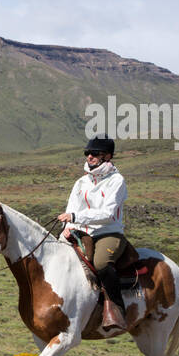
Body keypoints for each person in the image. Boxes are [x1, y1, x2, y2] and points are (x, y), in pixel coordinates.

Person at [57, 134, 129, 335]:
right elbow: (72, 206)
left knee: (101, 264)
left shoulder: (117, 181)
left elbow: (107, 214)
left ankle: (116, 309)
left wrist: (75, 216)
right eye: (87, 153)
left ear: (107, 156)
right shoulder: (81, 182)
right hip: (82, 230)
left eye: (94, 153)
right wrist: (68, 226)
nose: (89, 156)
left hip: (108, 232)